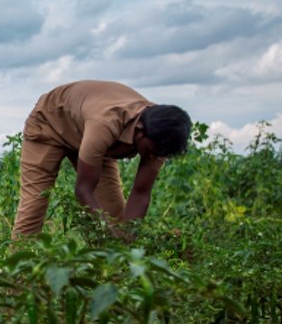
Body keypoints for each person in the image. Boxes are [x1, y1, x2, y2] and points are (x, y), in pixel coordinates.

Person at [13, 80, 191, 241]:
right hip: (50, 123)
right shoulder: (106, 124)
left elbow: (141, 193)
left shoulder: (161, 138)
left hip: (89, 131)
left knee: (113, 216)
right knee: (34, 205)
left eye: (159, 154)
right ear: (139, 130)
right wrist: (108, 236)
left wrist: (127, 243)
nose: (152, 157)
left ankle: (110, 266)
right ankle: (19, 264)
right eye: (150, 151)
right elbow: (83, 190)